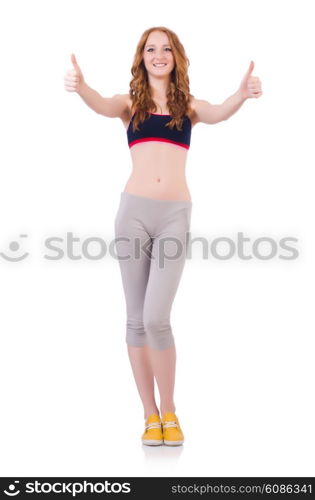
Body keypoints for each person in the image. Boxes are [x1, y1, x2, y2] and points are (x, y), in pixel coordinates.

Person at [64, 26, 262, 447]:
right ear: (142, 57)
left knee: (157, 318)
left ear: (176, 57)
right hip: (132, 214)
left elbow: (219, 111)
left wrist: (241, 95)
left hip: (174, 215)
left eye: (166, 48)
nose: (158, 54)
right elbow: (100, 104)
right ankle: (149, 415)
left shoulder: (185, 106)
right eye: (151, 48)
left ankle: (170, 410)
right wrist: (81, 87)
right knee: (136, 320)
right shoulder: (129, 105)